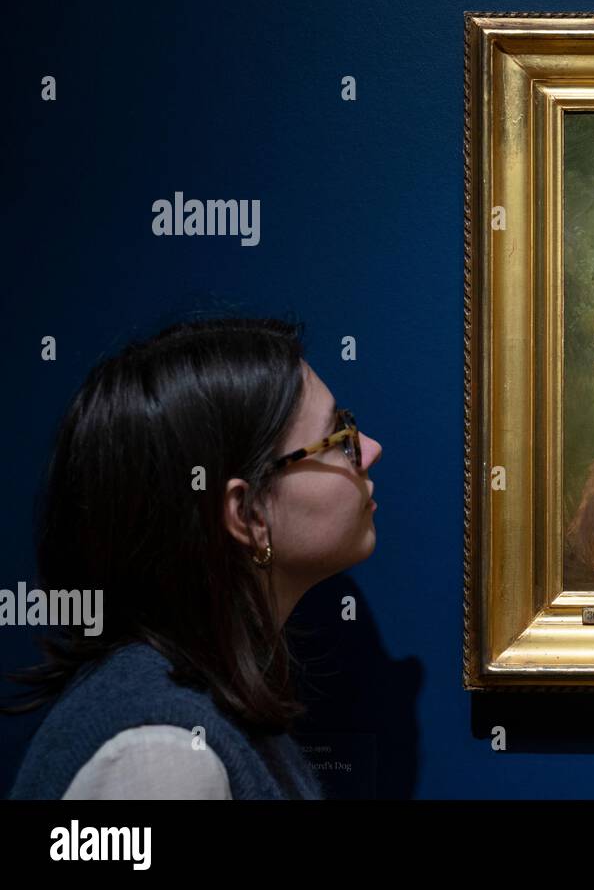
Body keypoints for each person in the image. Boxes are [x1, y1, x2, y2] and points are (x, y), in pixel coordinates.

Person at [3, 317, 382, 799]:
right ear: (248, 515)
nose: (369, 449)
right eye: (338, 438)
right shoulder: (162, 759)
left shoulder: (202, 708)